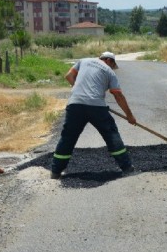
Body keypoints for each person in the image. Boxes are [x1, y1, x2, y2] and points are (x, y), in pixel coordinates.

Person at [51, 51, 137, 179]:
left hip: (75, 105)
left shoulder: (84, 61)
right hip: (97, 107)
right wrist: (130, 116)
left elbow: (68, 76)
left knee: (68, 137)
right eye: (113, 65)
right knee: (111, 135)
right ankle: (126, 167)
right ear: (109, 61)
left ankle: (56, 171)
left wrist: (81, 91)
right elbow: (118, 95)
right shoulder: (109, 71)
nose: (113, 67)